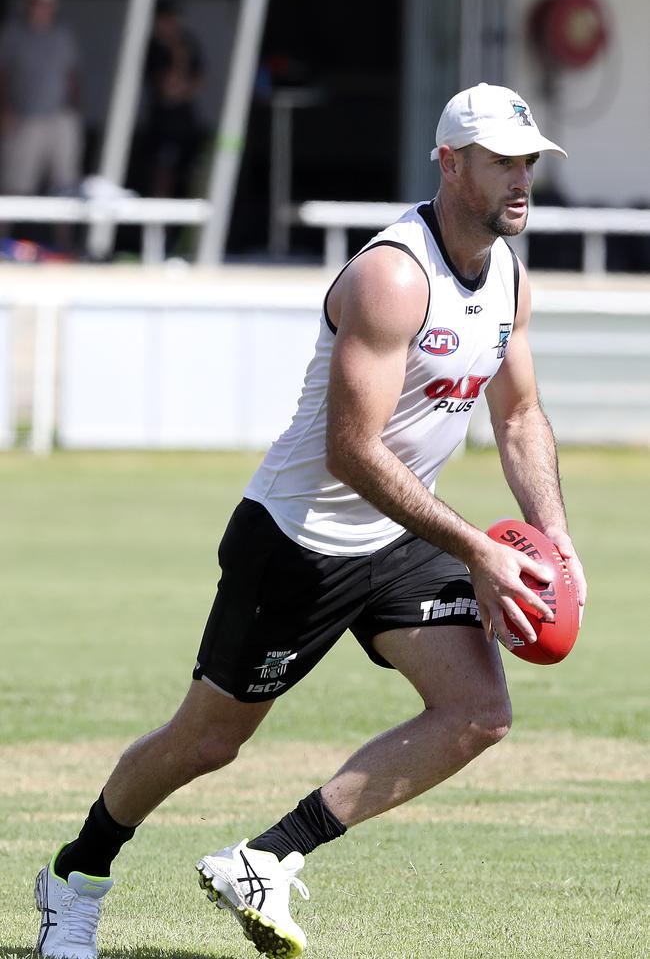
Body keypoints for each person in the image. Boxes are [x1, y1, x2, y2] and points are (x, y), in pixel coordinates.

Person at [34, 82, 587, 959]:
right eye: (501, 162)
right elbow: (352, 453)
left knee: (478, 711)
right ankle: (74, 878)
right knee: (207, 741)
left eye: (529, 161)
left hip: (404, 538)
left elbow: (518, 416)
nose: (522, 179)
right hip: (299, 541)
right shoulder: (390, 277)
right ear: (450, 164)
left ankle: (267, 860)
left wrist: (552, 537)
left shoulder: (510, 275)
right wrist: (479, 547)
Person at [0, 0, 82, 198]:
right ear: (27, 3)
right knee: (14, 185)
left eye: (46, 2)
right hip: (24, 118)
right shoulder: (12, 33)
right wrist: (4, 110)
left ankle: (66, 235)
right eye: (35, 2)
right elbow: (3, 74)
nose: (40, 7)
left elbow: (72, 74)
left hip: (60, 118)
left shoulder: (64, 34)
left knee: (66, 185)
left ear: (53, 5)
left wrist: (72, 111)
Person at [142, 0, 205, 200]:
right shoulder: (154, 48)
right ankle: (157, 227)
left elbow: (198, 83)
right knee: (161, 175)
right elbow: (166, 89)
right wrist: (177, 56)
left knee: (188, 176)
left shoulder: (189, 44)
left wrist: (183, 87)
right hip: (162, 123)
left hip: (186, 122)